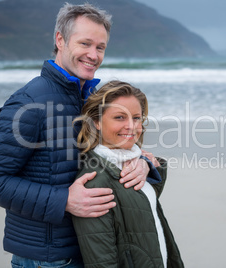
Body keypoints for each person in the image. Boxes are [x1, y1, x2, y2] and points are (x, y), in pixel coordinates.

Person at [0, 3, 162, 267]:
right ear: (60, 40)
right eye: (85, 43)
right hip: (48, 259)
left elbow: (101, 155)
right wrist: (63, 200)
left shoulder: (87, 98)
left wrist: (143, 163)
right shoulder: (29, 102)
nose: (93, 55)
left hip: (86, 250)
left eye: (100, 47)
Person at [72, 80, 184, 267]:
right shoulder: (95, 181)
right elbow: (102, 262)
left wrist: (150, 166)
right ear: (96, 122)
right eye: (119, 117)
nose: (132, 126)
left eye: (136, 117)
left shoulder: (135, 164)